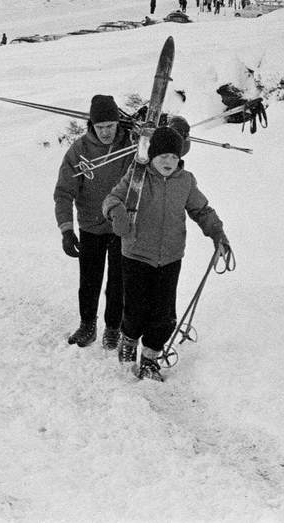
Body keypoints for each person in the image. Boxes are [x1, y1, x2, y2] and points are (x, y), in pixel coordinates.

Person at [103, 126, 230, 382]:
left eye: (173, 156)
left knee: (164, 315)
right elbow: (111, 199)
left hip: (171, 257)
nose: (168, 162)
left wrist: (217, 234)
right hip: (137, 254)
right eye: (163, 156)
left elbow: (201, 210)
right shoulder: (137, 176)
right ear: (152, 155)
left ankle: (149, 358)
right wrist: (116, 211)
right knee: (136, 310)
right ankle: (128, 340)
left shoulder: (185, 181)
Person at [54, 95, 132, 349]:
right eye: (100, 127)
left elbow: (168, 153)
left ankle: (113, 328)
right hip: (90, 225)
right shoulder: (79, 150)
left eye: (111, 126)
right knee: (89, 280)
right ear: (92, 126)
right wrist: (66, 229)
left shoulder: (132, 144)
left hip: (122, 225)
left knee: (118, 281)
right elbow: (64, 192)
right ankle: (87, 325)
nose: (106, 132)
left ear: (118, 123)